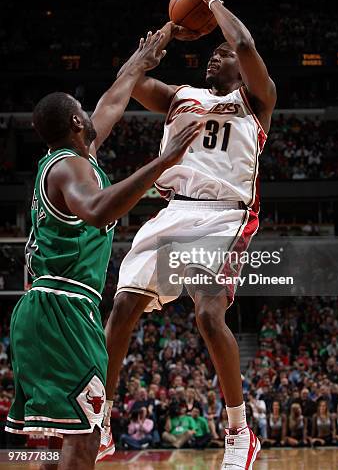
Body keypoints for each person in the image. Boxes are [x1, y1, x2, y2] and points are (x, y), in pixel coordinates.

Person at [4, 31, 201, 470]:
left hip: (51, 309)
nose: (90, 113)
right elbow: (95, 210)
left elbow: (114, 99)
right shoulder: (70, 167)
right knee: (85, 437)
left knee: (64, 439)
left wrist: (140, 59)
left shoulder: (77, 156)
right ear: (76, 122)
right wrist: (164, 162)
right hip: (62, 309)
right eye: (81, 111)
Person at [101, 0, 277, 469]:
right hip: (173, 210)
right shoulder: (180, 95)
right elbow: (127, 82)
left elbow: (243, 43)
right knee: (122, 309)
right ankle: (103, 424)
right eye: (211, 53)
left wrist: (214, 3)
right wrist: (167, 32)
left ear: (241, 68)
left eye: (222, 55)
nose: (215, 58)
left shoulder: (257, 103)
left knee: (205, 314)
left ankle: (240, 432)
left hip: (224, 216)